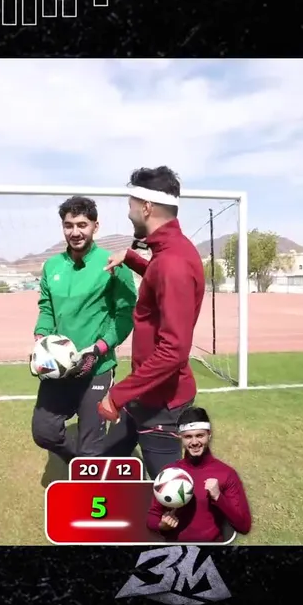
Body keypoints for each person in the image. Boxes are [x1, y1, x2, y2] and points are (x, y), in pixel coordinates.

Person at [96, 165, 205, 477]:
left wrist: (116, 395)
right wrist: (132, 259)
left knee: (170, 491)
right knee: (107, 463)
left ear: (146, 207)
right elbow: (161, 283)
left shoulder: (172, 261)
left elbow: (174, 351)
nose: (129, 213)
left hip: (161, 406)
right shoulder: (169, 253)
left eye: (131, 205)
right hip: (144, 394)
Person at [30, 195, 138, 466]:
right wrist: (41, 338)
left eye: (82, 225)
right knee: (44, 432)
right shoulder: (52, 266)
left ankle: (89, 467)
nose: (75, 232)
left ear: (95, 226)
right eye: (69, 225)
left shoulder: (113, 264)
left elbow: (125, 316)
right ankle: (79, 463)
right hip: (59, 369)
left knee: (92, 448)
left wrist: (99, 348)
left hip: (96, 368)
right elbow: (47, 308)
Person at [146, 407, 252, 542]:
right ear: (180, 437)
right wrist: (162, 525)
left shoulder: (226, 474)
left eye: (200, 435)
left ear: (209, 435)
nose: (194, 442)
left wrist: (218, 497)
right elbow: (152, 517)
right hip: (175, 549)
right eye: (188, 437)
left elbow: (244, 526)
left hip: (210, 550)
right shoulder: (170, 472)